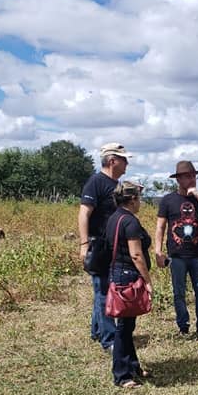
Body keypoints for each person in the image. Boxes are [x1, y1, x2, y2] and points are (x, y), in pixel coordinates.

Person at [78, 143, 131, 353]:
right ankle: (109, 340)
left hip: (113, 246)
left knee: (103, 290)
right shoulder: (96, 183)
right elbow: (84, 213)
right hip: (98, 245)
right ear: (112, 161)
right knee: (104, 292)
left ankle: (97, 330)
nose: (127, 163)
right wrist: (84, 244)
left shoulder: (116, 184)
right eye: (124, 159)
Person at [154, 160, 198, 338]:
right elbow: (160, 227)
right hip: (177, 255)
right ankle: (183, 326)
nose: (192, 179)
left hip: (197, 255)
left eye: (194, 176)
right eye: (188, 176)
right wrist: (158, 251)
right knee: (179, 292)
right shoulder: (168, 200)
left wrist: (197, 197)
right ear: (178, 179)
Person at [105, 182, 153, 388]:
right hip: (128, 276)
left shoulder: (114, 218)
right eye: (139, 199)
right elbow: (136, 254)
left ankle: (132, 366)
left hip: (116, 272)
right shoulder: (130, 222)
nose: (140, 202)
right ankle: (121, 374)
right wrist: (147, 280)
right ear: (132, 200)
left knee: (127, 326)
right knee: (124, 328)